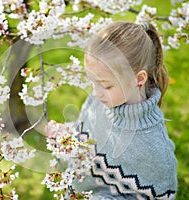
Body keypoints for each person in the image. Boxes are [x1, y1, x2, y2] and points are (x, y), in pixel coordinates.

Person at [46, 21, 178, 199]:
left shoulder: (154, 148)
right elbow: (87, 135)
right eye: (92, 82)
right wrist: (66, 136)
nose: (95, 92)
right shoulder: (99, 101)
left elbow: (160, 195)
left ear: (138, 79)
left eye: (106, 86)